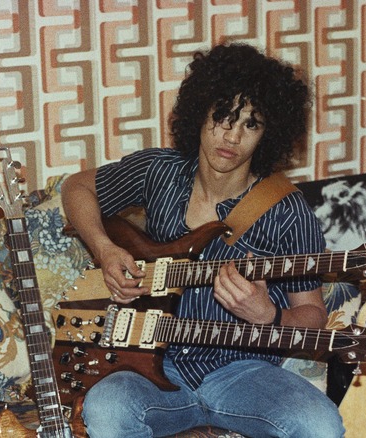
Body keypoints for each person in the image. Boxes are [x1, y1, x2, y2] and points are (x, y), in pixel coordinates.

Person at [61, 41, 345, 438]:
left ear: (269, 134)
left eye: (251, 124)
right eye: (222, 116)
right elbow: (76, 188)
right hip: (152, 368)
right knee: (106, 408)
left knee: (321, 427)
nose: (231, 136)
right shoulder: (158, 171)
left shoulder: (287, 210)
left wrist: (268, 316)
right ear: (199, 112)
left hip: (243, 373)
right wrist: (106, 250)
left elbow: (312, 316)